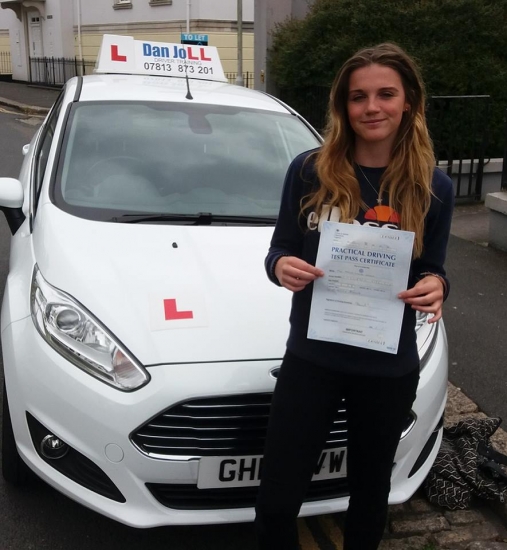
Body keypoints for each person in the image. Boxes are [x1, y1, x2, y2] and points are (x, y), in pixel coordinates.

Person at [254, 43, 454, 550]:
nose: (372, 107)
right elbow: (278, 248)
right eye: (358, 96)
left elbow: (433, 268)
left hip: (387, 367)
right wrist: (281, 266)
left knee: (370, 493)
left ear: (408, 101)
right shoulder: (309, 170)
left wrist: (437, 287)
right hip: (312, 358)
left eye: (386, 94)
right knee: (278, 493)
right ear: (343, 106)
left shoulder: (434, 187)